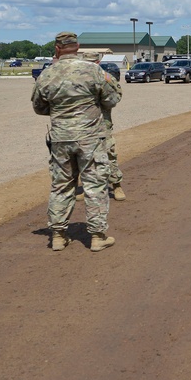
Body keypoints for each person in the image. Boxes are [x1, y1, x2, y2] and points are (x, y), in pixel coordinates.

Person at [32, 32, 121, 252]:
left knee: (61, 186)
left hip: (61, 139)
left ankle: (58, 236)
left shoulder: (47, 74)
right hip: (90, 138)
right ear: (77, 47)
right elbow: (112, 99)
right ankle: (97, 236)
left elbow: (39, 107)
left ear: (57, 48)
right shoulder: (93, 71)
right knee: (95, 186)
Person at [79, 51, 125, 201]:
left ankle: (116, 186)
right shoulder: (78, 80)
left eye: (93, 63)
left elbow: (116, 97)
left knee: (108, 155)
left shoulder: (106, 78)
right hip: (83, 125)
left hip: (102, 124)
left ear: (98, 63)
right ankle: (87, 189)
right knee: (85, 157)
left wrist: (103, 99)